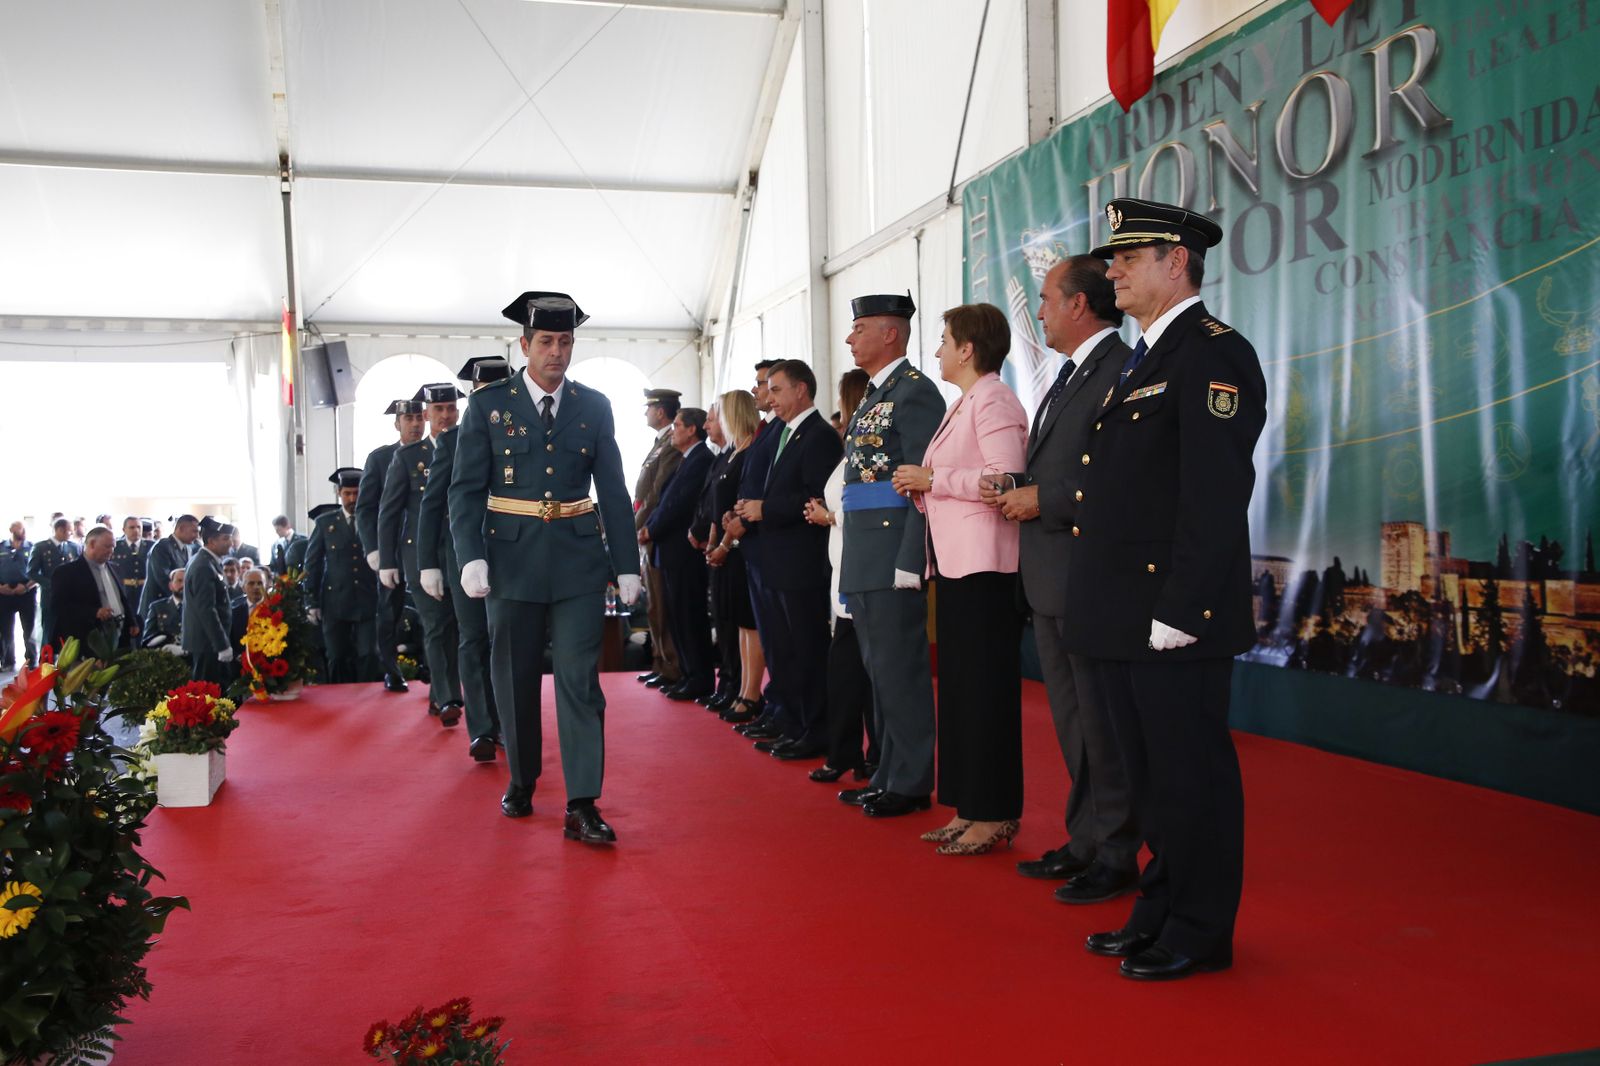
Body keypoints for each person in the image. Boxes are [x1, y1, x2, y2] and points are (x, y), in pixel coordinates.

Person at [1070, 197, 1267, 981]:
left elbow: (1213, 496)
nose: (1111, 269)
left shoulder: (1213, 352)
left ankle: (1200, 930)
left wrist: (1183, 608)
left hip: (1172, 615)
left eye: (1127, 256)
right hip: (1124, 613)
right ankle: (1159, 906)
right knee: (1149, 780)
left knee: (1192, 780)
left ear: (1175, 262)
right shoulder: (1142, 356)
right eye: (1112, 258)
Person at [449, 290, 642, 844]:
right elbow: (464, 491)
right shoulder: (488, 406)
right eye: (546, 342)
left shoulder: (595, 405)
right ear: (524, 345)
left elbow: (612, 487)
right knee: (513, 677)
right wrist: (471, 557)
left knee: (580, 682)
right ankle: (523, 778)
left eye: (565, 342)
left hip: (580, 561)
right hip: (511, 560)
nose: (556, 353)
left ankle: (582, 802)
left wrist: (625, 565)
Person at [987, 254, 1140, 902]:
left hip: (1087, 575)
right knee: (1074, 723)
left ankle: (1117, 852)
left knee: (1103, 726)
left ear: (1080, 305)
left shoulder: (1121, 369)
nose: (1040, 310)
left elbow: (1123, 474)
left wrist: (1045, 499)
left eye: (1048, 298)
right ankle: (1086, 841)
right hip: (1051, 577)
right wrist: (1019, 486)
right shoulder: (1073, 372)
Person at [892, 304, 1029, 853]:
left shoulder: (993, 398)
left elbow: (1006, 479)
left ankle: (993, 812)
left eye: (944, 340)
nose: (937, 350)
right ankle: (970, 807)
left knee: (986, 695)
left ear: (969, 348)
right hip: (955, 566)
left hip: (987, 568)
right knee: (964, 695)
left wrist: (933, 478)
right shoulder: (966, 401)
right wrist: (925, 486)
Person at [835, 293, 947, 819]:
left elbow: (920, 483)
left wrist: (911, 556)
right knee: (877, 671)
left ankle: (911, 780)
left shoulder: (915, 394)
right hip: (864, 548)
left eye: (859, 328)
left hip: (891, 549)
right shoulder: (874, 394)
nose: (850, 337)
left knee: (899, 671)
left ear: (891, 333)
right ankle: (887, 771)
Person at [733, 359, 842, 760]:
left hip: (803, 563)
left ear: (801, 390)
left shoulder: (819, 436)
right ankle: (794, 722)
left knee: (807, 651)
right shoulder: (786, 432)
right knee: (786, 650)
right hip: (778, 560)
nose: (769, 398)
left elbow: (816, 498)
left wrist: (766, 509)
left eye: (777, 390)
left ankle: (816, 730)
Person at [418, 355, 512, 762]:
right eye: (482, 391)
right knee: (473, 640)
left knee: (506, 642)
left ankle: (510, 724)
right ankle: (483, 730)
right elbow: (432, 504)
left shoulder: (519, 433)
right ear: (474, 394)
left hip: (512, 554)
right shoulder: (454, 441)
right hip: (463, 556)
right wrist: (428, 563)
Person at [803, 369, 879, 783]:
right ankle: (846, 751)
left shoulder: (865, 445)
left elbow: (867, 504)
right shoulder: (848, 446)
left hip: (862, 569)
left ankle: (870, 756)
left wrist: (827, 515)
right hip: (844, 573)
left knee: (861, 674)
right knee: (847, 673)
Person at [379, 383, 466, 727]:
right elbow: (389, 511)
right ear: (427, 414)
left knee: (458, 628)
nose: (445, 416)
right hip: (420, 555)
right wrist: (386, 560)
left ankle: (438, 694)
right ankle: (448, 698)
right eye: (438, 410)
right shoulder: (408, 457)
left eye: (451, 410)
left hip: (461, 555)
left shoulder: (469, 448)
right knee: (434, 625)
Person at [727, 359, 789, 740]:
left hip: (773, 544)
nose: (758, 391)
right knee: (763, 629)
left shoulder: (780, 431)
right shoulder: (769, 431)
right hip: (755, 543)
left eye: (765, 384)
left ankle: (779, 707)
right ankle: (773, 704)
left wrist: (744, 521)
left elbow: (771, 491)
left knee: (780, 636)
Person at [643, 408, 718, 701]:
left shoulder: (701, 459)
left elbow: (679, 503)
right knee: (677, 616)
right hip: (671, 550)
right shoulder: (688, 459)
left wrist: (651, 529)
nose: (672, 430)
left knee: (690, 616)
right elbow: (665, 499)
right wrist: (650, 526)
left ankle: (698, 676)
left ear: (692, 430)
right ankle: (687, 673)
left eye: (677, 425)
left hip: (684, 550)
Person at [705, 391, 766, 725]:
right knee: (739, 624)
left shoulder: (748, 452)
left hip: (741, 547)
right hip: (728, 545)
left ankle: (751, 693)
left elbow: (742, 503)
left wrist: (725, 542)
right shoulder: (734, 452)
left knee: (748, 623)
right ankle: (743, 688)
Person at [358, 397, 427, 693]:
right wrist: (374, 549)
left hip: (426, 546)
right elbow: (365, 508)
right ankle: (391, 669)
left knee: (433, 610)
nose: (415, 424)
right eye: (408, 420)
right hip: (392, 550)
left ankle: (431, 666)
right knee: (390, 611)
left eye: (418, 419)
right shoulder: (380, 458)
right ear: (396, 423)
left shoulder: (439, 452)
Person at [305, 472, 381, 684]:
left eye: (356, 493)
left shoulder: (373, 521)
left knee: (369, 654)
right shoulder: (324, 524)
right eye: (347, 493)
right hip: (335, 601)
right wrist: (311, 601)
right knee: (337, 656)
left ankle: (367, 700)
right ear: (339, 494)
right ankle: (340, 702)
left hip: (367, 599)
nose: (352, 499)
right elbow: (313, 564)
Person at [633, 387, 684, 689]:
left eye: (648, 408)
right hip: (648, 532)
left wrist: (638, 525)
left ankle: (672, 666)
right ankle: (660, 661)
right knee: (653, 603)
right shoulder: (660, 442)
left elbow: (657, 494)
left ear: (661, 411)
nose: (645, 413)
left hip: (656, 532)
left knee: (662, 604)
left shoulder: (671, 444)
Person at [691, 400, 740, 710]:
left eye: (711, 420)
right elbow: (709, 503)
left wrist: (719, 542)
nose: (706, 426)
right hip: (716, 544)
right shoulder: (721, 458)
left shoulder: (735, 456)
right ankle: (729, 684)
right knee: (722, 620)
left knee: (733, 621)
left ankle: (737, 687)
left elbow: (727, 505)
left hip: (734, 549)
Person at [47, 526, 129, 649]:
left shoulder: (115, 568)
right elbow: (58, 607)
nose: (111, 551)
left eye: (113, 547)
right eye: (107, 546)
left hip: (118, 638)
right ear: (91, 544)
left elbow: (122, 599)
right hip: (84, 641)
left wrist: (132, 622)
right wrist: (94, 612)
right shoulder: (66, 572)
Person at [182, 517, 237, 685]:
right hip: (208, 643)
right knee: (207, 694)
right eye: (225, 539)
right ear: (211, 541)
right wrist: (221, 644)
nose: (231, 543)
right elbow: (207, 609)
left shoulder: (209, 561)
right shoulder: (203, 566)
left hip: (209, 642)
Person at [28, 518, 81, 653]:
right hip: (50, 597)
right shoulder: (41, 547)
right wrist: (51, 584)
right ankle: (45, 663)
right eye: (69, 530)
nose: (71, 533)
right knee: (49, 632)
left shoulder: (73, 547)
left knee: (68, 632)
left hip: (70, 598)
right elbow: (32, 572)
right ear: (60, 530)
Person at [140, 514, 198, 617]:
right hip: (157, 607)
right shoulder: (162, 547)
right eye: (194, 531)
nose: (196, 536)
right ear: (181, 528)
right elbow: (163, 579)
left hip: (175, 604)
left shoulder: (188, 549)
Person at [0, 521, 38, 670]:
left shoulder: (33, 547)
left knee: (29, 629)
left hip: (26, 592)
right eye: (20, 528)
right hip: (4, 593)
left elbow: (38, 572)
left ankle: (31, 661)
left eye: (24, 528)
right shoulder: (2, 547)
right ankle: (8, 662)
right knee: (5, 630)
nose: (23, 531)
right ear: (11, 530)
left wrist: (27, 586)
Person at [142, 568, 184, 649]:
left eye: (187, 582)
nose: (183, 585)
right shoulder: (157, 607)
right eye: (179, 581)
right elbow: (148, 638)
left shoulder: (198, 607)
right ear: (170, 585)